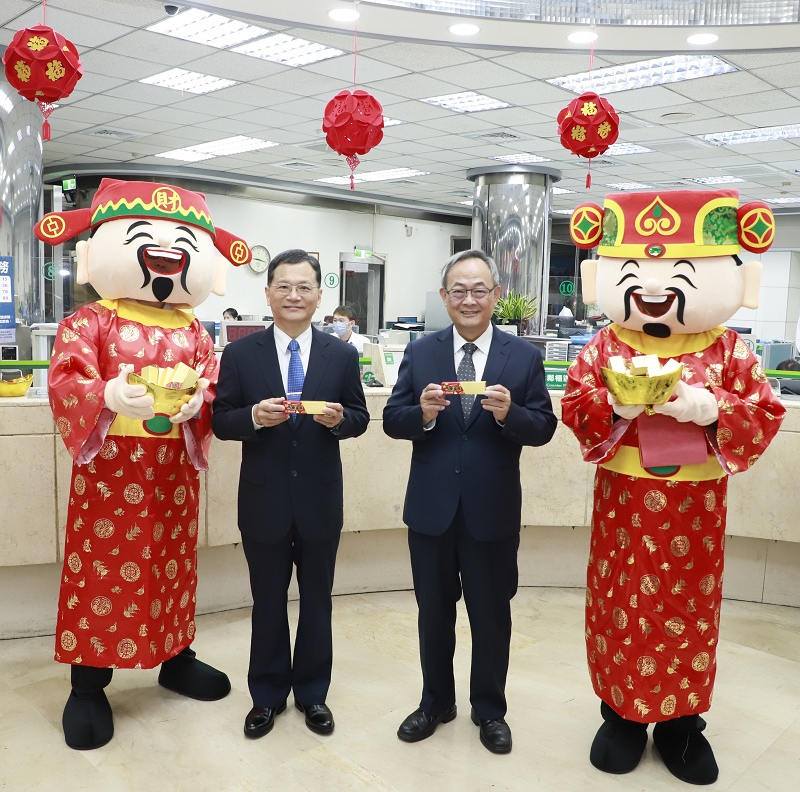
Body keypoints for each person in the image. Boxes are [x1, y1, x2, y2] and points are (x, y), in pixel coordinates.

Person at [562, 189, 786, 785]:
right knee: (619, 604)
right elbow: (574, 402)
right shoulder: (608, 343)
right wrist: (611, 403)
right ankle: (621, 714)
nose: (654, 288)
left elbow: (764, 411)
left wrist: (708, 408)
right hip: (624, 507)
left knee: (687, 609)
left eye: (681, 273)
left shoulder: (729, 348)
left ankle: (682, 722)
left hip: (695, 508)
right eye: (635, 272)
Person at [34, 178, 253, 749]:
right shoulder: (92, 322)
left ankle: (175, 655)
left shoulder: (195, 329)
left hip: (172, 475)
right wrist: (106, 396)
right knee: (102, 571)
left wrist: (196, 404)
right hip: (109, 470)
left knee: (172, 566)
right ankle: (88, 683)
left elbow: (212, 385)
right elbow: (66, 380)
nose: (167, 251)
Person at [383, 249, 557, 754]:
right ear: (444, 297)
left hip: (492, 512)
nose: (469, 300)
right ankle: (435, 701)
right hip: (432, 511)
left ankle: (489, 709)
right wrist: (424, 413)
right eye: (458, 290)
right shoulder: (422, 352)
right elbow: (393, 421)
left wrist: (509, 416)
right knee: (432, 613)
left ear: (496, 297)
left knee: (491, 615)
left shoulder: (522, 357)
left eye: (479, 290)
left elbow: (544, 428)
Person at [211, 249, 370, 740]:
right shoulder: (240, 354)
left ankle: (313, 693)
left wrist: (340, 420)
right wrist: (254, 418)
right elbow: (220, 422)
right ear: (268, 293)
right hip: (264, 501)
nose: (294, 295)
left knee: (318, 600)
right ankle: (266, 696)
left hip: (321, 499)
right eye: (284, 286)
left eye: (304, 287)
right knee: (267, 601)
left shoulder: (341, 354)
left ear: (320, 294)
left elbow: (361, 417)